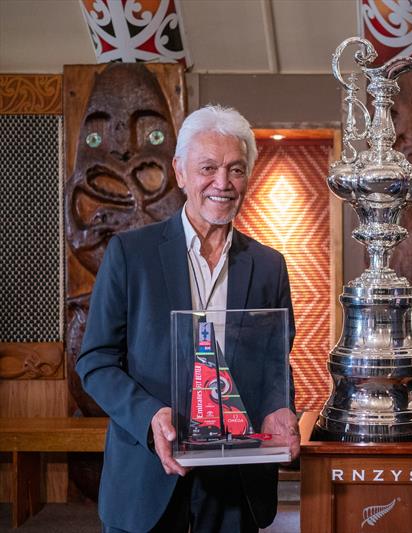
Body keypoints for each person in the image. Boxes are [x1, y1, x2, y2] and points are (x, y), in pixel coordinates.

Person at [77, 105, 300, 533]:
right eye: (208, 168)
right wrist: (149, 416)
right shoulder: (130, 256)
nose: (222, 182)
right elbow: (96, 361)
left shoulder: (269, 266)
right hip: (148, 477)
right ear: (180, 171)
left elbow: (276, 363)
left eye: (236, 169)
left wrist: (278, 406)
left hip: (235, 483)